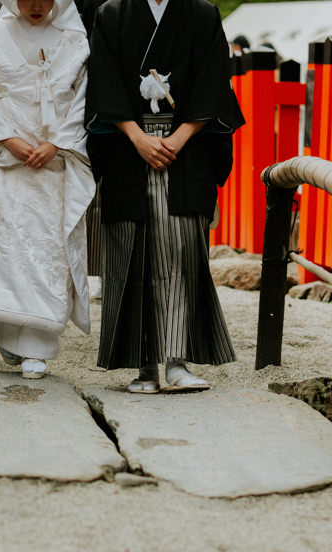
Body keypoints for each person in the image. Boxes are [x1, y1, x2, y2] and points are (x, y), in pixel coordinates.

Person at [85, 0, 244, 393]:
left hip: (185, 149)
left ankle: (177, 362)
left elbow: (213, 81)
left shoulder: (202, 14)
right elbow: (103, 82)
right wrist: (138, 138)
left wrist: (178, 138)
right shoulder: (112, 14)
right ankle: (144, 368)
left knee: (182, 250)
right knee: (131, 251)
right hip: (128, 148)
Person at [0, 0, 93, 379]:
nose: (35, 5)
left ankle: (37, 348)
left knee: (45, 250)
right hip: (3, 159)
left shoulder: (75, 38)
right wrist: (7, 138)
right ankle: (10, 334)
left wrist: (57, 143)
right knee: (5, 251)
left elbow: (82, 100)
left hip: (52, 163)